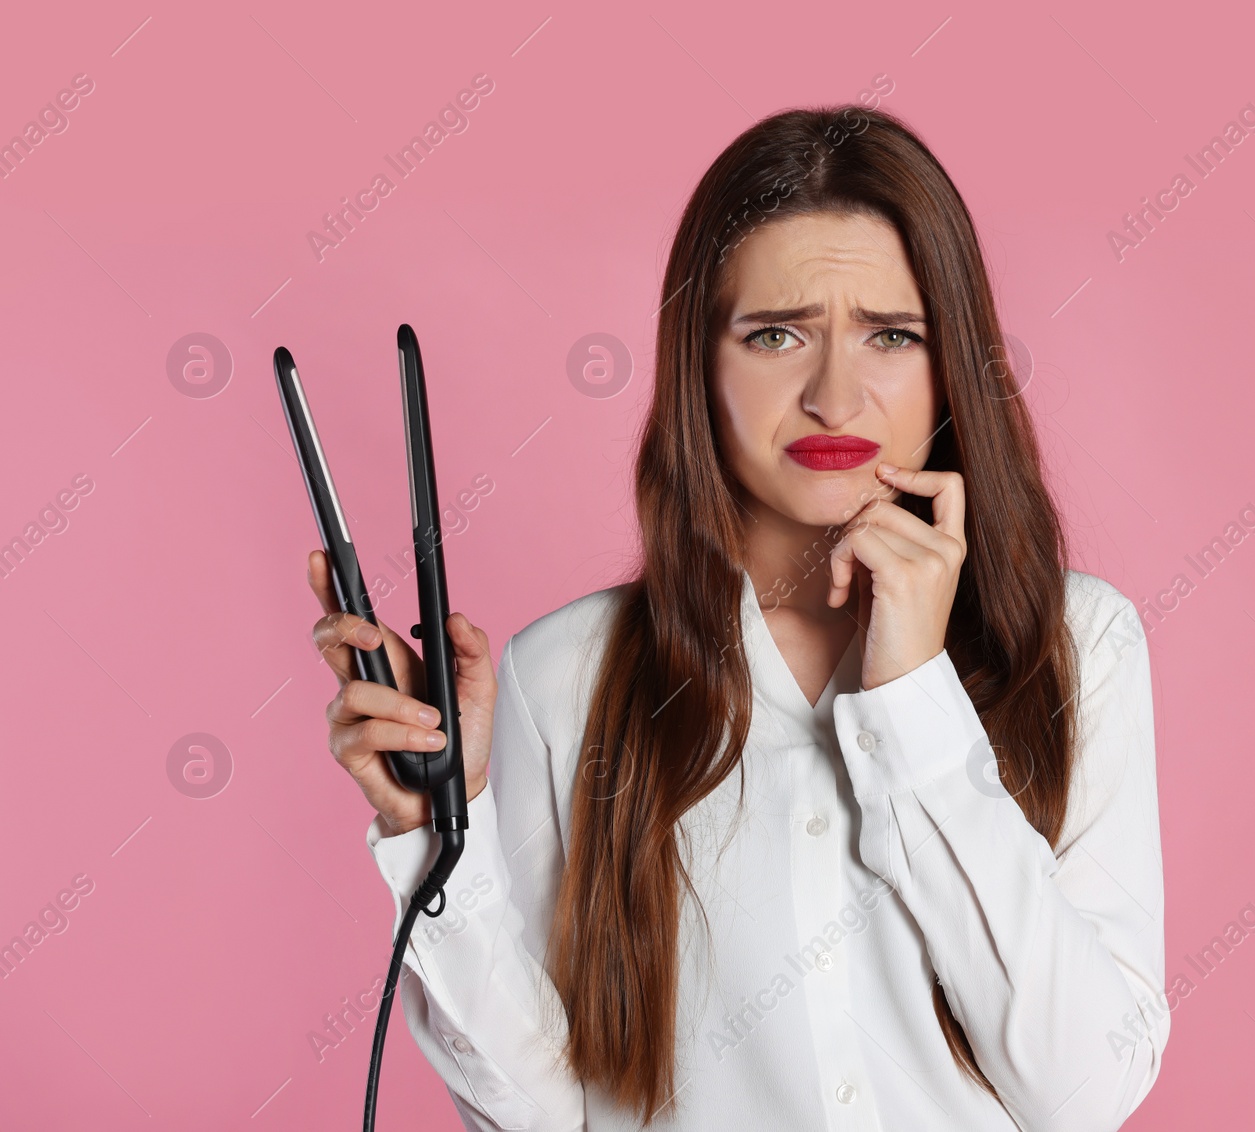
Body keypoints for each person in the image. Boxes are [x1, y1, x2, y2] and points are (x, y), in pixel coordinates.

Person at [307, 103, 1167, 1131]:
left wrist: (913, 699)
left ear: (951, 370)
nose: (834, 394)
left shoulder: (1078, 647)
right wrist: (432, 832)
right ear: (700, 366)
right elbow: (542, 1118)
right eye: (775, 335)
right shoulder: (564, 678)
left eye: (891, 335)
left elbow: (1084, 1094)